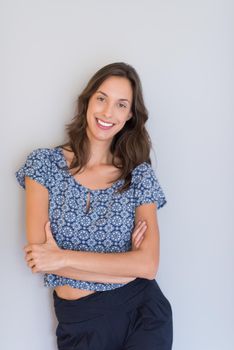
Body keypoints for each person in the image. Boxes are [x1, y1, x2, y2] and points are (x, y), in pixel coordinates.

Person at [15, 62, 173, 350]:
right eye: (102, 98)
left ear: (129, 116)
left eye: (121, 104)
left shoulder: (139, 175)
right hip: (79, 322)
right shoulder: (43, 165)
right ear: (87, 101)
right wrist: (126, 267)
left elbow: (148, 266)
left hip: (143, 313)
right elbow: (40, 260)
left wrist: (61, 259)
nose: (108, 112)